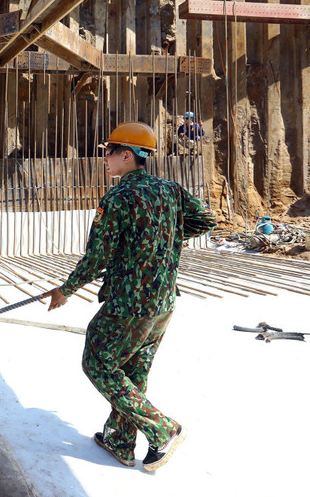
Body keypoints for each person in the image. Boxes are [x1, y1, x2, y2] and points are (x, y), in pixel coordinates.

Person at [41, 121, 216, 472]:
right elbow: (206, 220)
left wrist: (65, 290)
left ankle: (163, 429)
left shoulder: (118, 198)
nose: (104, 158)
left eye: (108, 152)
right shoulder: (170, 190)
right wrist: (162, 239)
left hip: (129, 304)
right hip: (163, 301)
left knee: (98, 363)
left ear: (126, 155)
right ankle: (120, 441)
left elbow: (97, 257)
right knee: (133, 371)